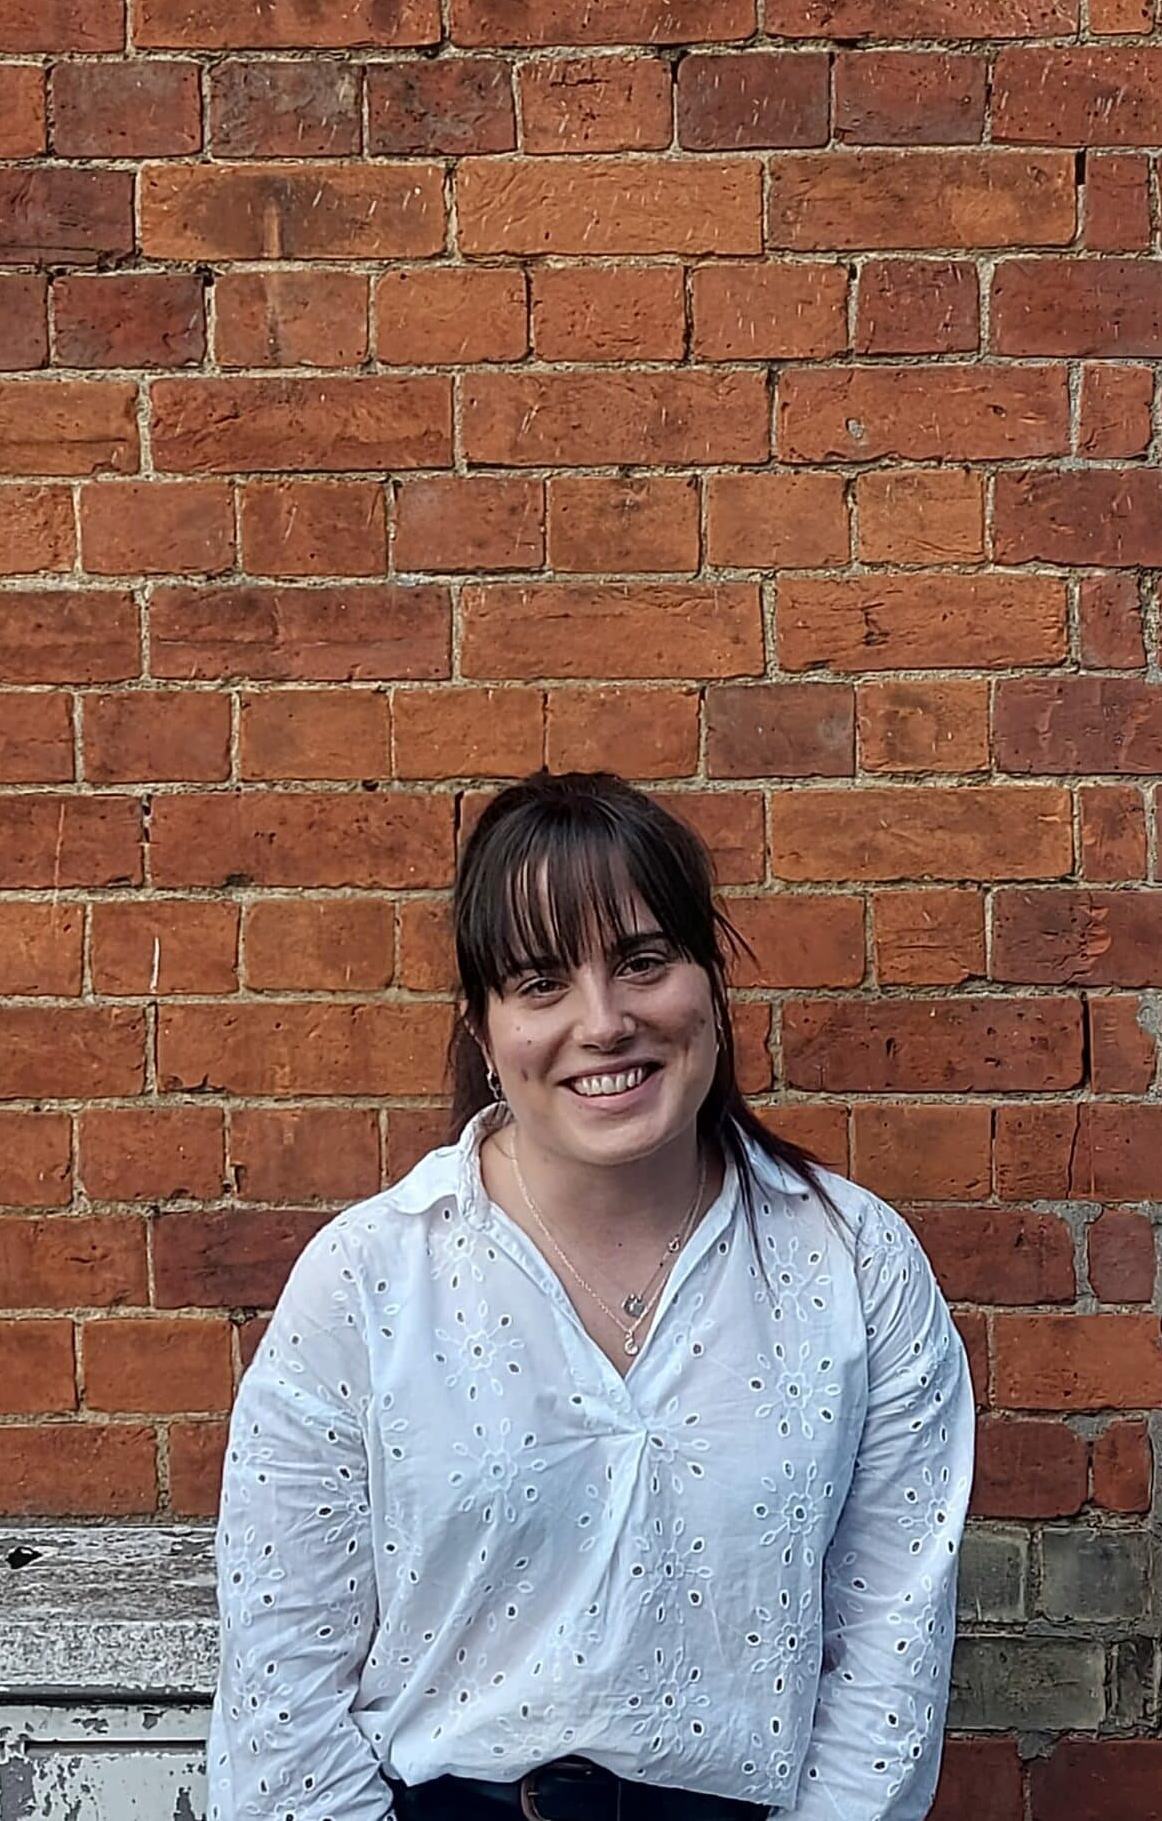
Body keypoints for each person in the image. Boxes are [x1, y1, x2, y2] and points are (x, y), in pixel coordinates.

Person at [206, 769, 976, 1821]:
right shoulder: (369, 1282)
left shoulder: (852, 1266)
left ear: (709, 980)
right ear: (482, 1030)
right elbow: (283, 1687)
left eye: (642, 961)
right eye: (539, 983)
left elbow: (888, 1660)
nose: (604, 1021)